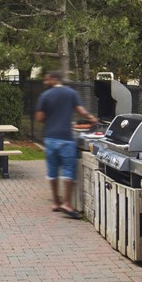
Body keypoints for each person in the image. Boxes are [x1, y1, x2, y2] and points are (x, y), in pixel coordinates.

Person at [35, 72, 97, 219]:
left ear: (54, 79)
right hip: (66, 138)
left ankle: (56, 202)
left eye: (47, 79)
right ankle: (67, 203)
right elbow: (81, 111)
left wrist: (51, 121)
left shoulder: (45, 95)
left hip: (50, 138)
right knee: (68, 170)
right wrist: (92, 118)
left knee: (52, 171)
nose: (45, 81)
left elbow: (39, 117)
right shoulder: (71, 93)